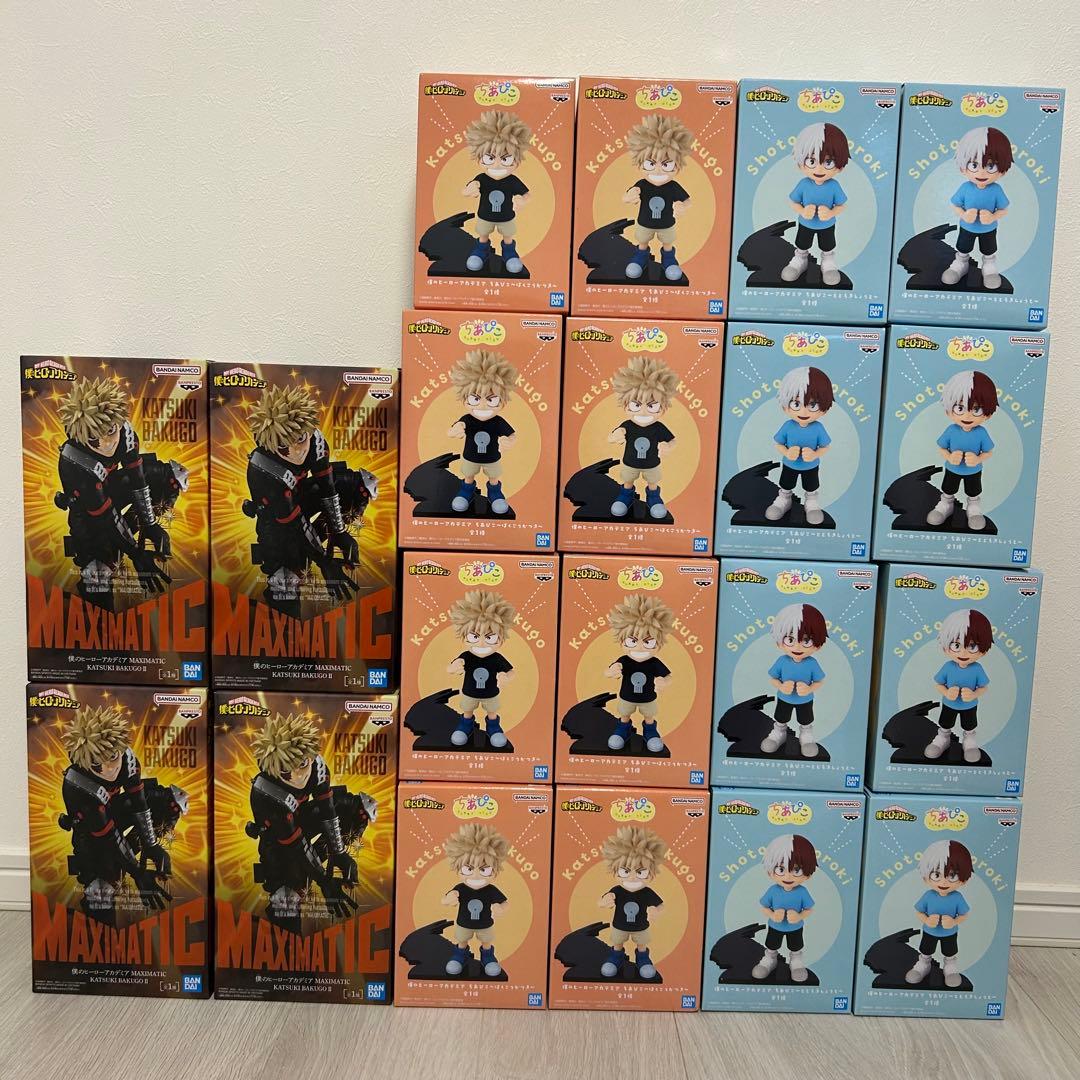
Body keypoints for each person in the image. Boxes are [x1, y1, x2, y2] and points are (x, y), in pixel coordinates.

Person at [623, 113, 693, 281]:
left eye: (667, 164)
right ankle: (640, 257)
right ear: (640, 163)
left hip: (667, 225)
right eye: (651, 163)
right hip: (644, 223)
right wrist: (629, 196)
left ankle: (668, 260)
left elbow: (687, 201)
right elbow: (626, 197)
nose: (658, 170)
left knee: (668, 243)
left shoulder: (673, 186)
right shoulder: (642, 184)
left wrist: (682, 207)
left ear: (677, 165)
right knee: (642, 241)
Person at [608, 355, 679, 519]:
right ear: (625, 405)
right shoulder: (627, 425)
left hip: (652, 465)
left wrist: (668, 446)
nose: (644, 411)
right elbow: (612, 436)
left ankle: (653, 498)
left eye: (652, 406)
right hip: (630, 463)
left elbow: (672, 440)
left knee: (653, 482)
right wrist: (616, 435)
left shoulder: (658, 427)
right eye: (636, 405)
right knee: (627, 481)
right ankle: (625, 495)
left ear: (663, 408)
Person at [447, 349, 518, 514]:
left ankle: (495, 493)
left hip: (492, 458)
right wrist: (456, 430)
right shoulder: (467, 419)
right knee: (468, 475)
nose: (483, 405)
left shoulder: (498, 422)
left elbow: (511, 435)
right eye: (475, 399)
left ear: (503, 401)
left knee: (494, 478)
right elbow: (455, 428)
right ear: (464, 399)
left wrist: (509, 442)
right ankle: (466, 491)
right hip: (470, 457)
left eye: (492, 399)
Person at [941, 127, 1012, 290]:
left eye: (991, 166)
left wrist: (993, 217)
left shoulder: (996, 190)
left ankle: (989, 266)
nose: (981, 172)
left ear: (1002, 169)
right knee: (963, 247)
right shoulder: (965, 188)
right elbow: (955, 205)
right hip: (967, 227)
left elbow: (1004, 210)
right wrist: (964, 215)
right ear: (962, 167)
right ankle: (961, 263)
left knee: (989, 249)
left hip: (989, 229)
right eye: (974, 165)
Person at [463, 110, 532, 274]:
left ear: (517, 160)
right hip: (484, 217)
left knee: (508, 236)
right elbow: (466, 190)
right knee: (483, 235)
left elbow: (527, 194)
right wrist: (470, 189)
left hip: (506, 218)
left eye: (506, 159)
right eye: (490, 158)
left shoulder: (512, 180)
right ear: (479, 158)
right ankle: (481, 250)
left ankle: (509, 253)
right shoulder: (482, 178)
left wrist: (522, 201)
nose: (497, 165)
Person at [781, 122, 850, 286]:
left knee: (827, 245)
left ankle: (828, 262)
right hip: (806, 223)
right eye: (812, 161)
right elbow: (793, 201)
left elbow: (842, 205)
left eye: (828, 162)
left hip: (827, 225)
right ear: (800, 162)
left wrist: (831, 213)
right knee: (802, 243)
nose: (819, 169)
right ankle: (800, 259)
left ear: (839, 165)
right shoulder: (803, 184)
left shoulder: (834, 186)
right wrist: (802, 211)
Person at [927, 370, 997, 531]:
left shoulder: (981, 433)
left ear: (987, 413)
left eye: (976, 409)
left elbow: (989, 452)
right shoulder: (951, 430)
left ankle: (974, 508)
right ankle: (946, 504)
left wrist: (978, 459)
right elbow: (941, 447)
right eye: (960, 408)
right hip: (952, 468)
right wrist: (949, 457)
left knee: (973, 490)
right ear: (948, 409)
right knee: (948, 488)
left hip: (974, 470)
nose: (967, 415)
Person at [765, 365, 834, 526]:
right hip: (790, 464)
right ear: (785, 404)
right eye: (796, 404)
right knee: (786, 483)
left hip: (811, 466)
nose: (803, 412)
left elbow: (826, 446)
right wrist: (787, 453)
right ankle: (784, 499)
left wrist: (815, 454)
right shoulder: (788, 426)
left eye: (813, 405)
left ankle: (811, 502)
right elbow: (778, 443)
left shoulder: (818, 428)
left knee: (811, 485)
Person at [605, 594, 675, 753]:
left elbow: (668, 676)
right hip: (626, 697)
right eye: (632, 641)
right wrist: (612, 671)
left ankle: (650, 732)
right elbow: (607, 672)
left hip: (648, 699)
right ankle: (623, 729)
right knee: (624, 715)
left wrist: (664, 682)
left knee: (649, 717)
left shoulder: (654, 663)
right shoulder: (624, 660)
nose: (640, 647)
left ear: (659, 642)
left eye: (648, 642)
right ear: (622, 640)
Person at [447, 589, 516, 748]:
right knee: (467, 711)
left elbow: (511, 671)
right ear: (464, 636)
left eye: (490, 637)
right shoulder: (466, 656)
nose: (482, 643)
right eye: (474, 636)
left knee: (492, 713)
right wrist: (455, 667)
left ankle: (494, 728)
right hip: (469, 693)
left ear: (501, 638)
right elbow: (450, 668)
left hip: (491, 694)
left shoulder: (497, 658)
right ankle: (465, 726)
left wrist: (506, 677)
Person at [441, 823, 510, 977]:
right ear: (458, 867)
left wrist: (501, 908)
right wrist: (449, 899)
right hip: (464, 923)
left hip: (485, 925)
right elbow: (444, 900)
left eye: (484, 869)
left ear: (495, 869)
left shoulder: (491, 890)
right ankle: (460, 955)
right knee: (462, 940)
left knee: (486, 942)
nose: (476, 875)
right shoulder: (460, 888)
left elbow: (505, 903)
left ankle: (488, 957)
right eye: (468, 869)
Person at [599, 826, 667, 979]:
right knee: (617, 943)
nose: (632, 877)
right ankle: (616, 956)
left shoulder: (647, 892)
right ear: (615, 869)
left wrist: (656, 911)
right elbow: (601, 901)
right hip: (619, 926)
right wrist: (605, 901)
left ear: (651, 871)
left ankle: (642, 959)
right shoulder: (617, 890)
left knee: (642, 945)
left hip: (641, 927)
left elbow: (660, 905)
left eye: (640, 872)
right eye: (625, 871)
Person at [905, 839, 973, 988]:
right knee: (926, 949)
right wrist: (926, 920)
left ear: (963, 878)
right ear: (925, 876)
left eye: (952, 875)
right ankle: (923, 964)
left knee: (950, 951)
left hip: (950, 933)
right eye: (936, 875)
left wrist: (954, 922)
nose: (943, 882)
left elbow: (964, 915)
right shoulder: (928, 895)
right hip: (929, 931)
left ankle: (950, 967)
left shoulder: (957, 898)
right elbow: (919, 911)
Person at [926, 609, 992, 763]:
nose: (963, 652)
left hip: (969, 705)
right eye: (956, 645)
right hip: (949, 703)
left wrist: (974, 694)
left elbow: (984, 687)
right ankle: (943, 737)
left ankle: (969, 741)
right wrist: (946, 692)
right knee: (945, 722)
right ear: (945, 645)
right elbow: (938, 684)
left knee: (969, 725)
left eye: (972, 646)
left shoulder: (977, 669)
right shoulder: (948, 667)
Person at [752, 833, 817, 983]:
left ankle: (796, 961)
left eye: (796, 870)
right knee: (772, 944)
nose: (788, 877)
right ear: (770, 871)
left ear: (807, 873)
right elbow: (764, 906)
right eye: (781, 869)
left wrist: (799, 916)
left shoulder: (802, 892)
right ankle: (770, 959)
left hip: (795, 927)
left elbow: (809, 909)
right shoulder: (773, 890)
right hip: (775, 926)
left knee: (796, 946)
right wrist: (772, 915)